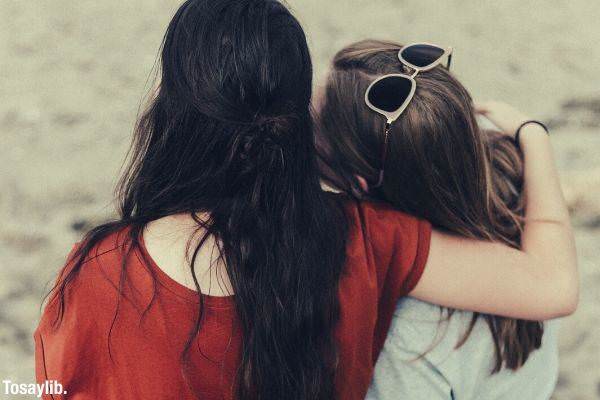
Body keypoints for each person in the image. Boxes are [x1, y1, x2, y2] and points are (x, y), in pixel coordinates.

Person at [35, 3, 577, 400]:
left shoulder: (97, 276)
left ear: (170, 111)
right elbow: (551, 285)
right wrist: (532, 134)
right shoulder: (369, 238)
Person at [314, 39, 572, 399]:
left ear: (360, 183)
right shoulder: (521, 187)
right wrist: (532, 134)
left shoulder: (407, 330)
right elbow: (556, 273)